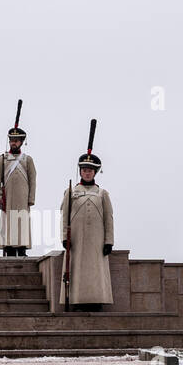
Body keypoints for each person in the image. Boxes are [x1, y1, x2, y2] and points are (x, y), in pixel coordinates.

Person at [59, 119, 113, 311]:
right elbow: (64, 216)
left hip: (97, 240)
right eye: (84, 170)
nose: (87, 172)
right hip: (77, 239)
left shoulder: (103, 194)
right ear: (80, 171)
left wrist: (109, 241)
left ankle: (96, 300)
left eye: (90, 170)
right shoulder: (71, 192)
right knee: (78, 271)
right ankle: (78, 301)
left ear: (95, 171)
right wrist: (63, 238)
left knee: (96, 271)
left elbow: (109, 219)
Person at [0, 101, 36, 257]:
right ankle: (10, 248)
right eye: (11, 140)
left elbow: (32, 179)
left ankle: (22, 249)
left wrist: (30, 198)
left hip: (23, 197)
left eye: (16, 140)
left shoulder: (27, 160)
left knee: (22, 223)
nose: (13, 143)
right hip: (8, 197)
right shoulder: (3, 159)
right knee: (8, 223)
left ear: (21, 142)